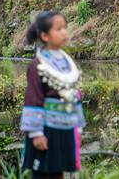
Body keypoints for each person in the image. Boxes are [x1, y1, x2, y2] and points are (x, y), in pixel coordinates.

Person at [20, 11, 85, 179]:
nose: (64, 32)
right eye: (59, 29)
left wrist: (78, 126)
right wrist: (36, 133)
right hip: (47, 129)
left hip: (66, 128)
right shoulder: (38, 65)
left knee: (59, 173)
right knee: (43, 174)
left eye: (65, 28)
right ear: (45, 35)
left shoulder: (67, 62)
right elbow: (33, 98)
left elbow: (74, 95)